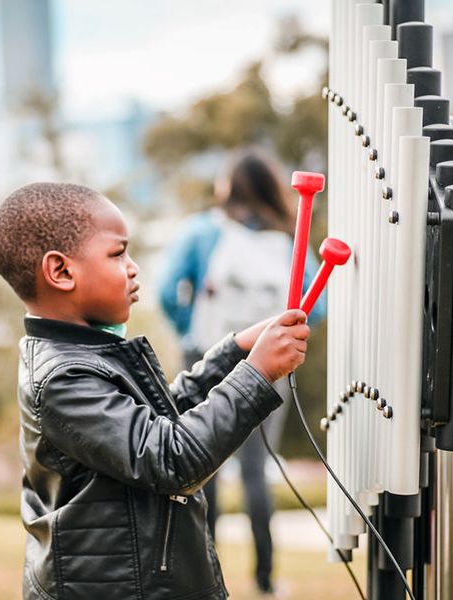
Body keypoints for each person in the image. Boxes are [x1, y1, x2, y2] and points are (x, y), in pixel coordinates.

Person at [0, 181, 310, 600]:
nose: (133, 267)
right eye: (118, 253)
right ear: (61, 271)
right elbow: (171, 457)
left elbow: (162, 422)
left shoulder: (94, 355)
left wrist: (236, 352)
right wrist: (257, 374)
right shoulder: (64, 379)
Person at [158, 149, 326, 595]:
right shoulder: (291, 239)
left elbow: (165, 289)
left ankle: (201, 574)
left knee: (197, 464)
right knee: (257, 472)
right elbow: (317, 304)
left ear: (227, 186)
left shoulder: (201, 231)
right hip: (271, 366)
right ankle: (266, 579)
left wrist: (190, 333)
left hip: (204, 357)